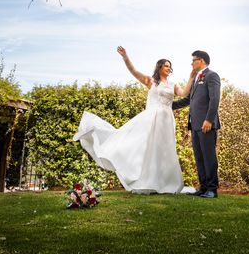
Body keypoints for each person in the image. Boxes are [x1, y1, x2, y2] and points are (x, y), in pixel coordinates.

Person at [73, 46, 194, 194]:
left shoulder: (173, 85)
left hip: (166, 121)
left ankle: (166, 182)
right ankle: (148, 181)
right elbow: (133, 71)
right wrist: (125, 57)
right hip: (150, 118)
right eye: (166, 66)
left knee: (164, 150)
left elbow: (184, 93)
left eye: (170, 66)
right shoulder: (151, 81)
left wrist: (191, 76)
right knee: (144, 148)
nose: (169, 68)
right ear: (160, 67)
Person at [172, 50, 221, 198]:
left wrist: (209, 120)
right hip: (194, 125)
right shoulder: (196, 79)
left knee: (209, 157)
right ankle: (203, 187)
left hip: (206, 124)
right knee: (199, 158)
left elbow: (214, 99)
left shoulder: (212, 76)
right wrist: (168, 105)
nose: (192, 63)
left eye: (194, 60)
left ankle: (212, 189)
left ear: (202, 61)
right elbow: (188, 100)